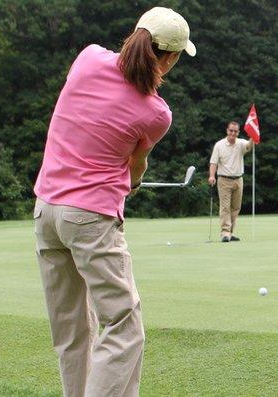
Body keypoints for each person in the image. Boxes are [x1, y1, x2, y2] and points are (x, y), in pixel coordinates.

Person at [31, 7, 195, 396]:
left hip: (45, 210)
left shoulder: (87, 57)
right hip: (89, 217)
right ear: (169, 59)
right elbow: (135, 166)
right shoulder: (156, 112)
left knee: (72, 331)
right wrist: (133, 184)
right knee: (123, 326)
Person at [208, 120, 255, 242]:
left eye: (235, 131)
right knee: (225, 207)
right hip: (224, 180)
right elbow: (213, 162)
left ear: (238, 132)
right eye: (231, 130)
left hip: (238, 180)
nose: (233, 133)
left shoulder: (241, 143)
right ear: (227, 131)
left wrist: (253, 136)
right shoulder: (219, 145)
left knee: (235, 208)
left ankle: (230, 232)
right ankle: (225, 233)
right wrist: (212, 176)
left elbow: (249, 146)